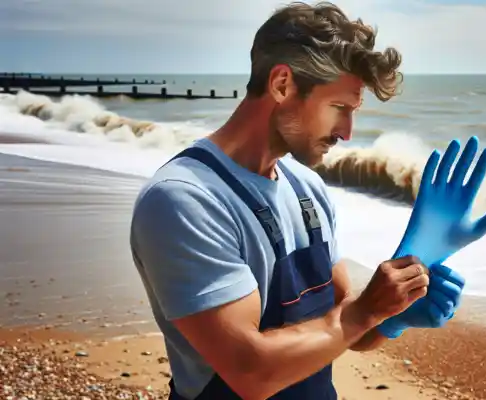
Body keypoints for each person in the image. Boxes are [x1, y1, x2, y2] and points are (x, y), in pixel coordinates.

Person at [129, 2, 464, 399]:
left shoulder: (308, 188)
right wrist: (367, 311)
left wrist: (395, 314)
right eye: (339, 108)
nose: (348, 132)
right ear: (282, 84)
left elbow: (342, 328)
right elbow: (251, 372)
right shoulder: (184, 200)